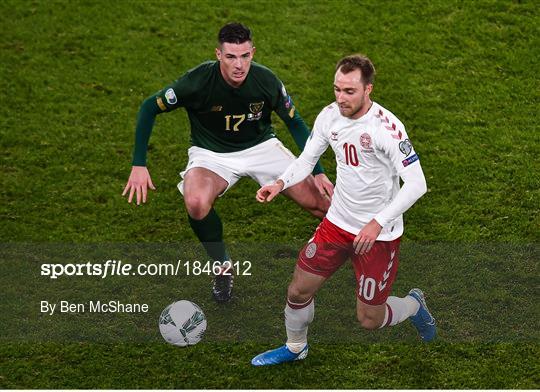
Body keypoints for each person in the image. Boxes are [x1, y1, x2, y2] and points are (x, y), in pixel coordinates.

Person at [122, 23, 333, 303]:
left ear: (253, 52)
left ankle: (362, 256)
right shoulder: (197, 81)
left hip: (262, 148)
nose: (239, 65)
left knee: (324, 204)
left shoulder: (266, 81)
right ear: (218, 54)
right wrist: (139, 163)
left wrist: (317, 171)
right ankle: (222, 267)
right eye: (231, 57)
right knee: (196, 203)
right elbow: (150, 106)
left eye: (245, 56)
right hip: (211, 155)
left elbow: (295, 123)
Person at [251, 54, 436, 366]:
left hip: (378, 236)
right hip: (336, 223)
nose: (341, 98)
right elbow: (308, 159)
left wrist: (377, 223)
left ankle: (414, 306)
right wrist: (280, 183)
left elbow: (417, 184)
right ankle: (296, 347)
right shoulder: (329, 116)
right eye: (337, 89)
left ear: (368, 90)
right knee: (298, 291)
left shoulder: (387, 129)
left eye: (349, 91)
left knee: (369, 319)